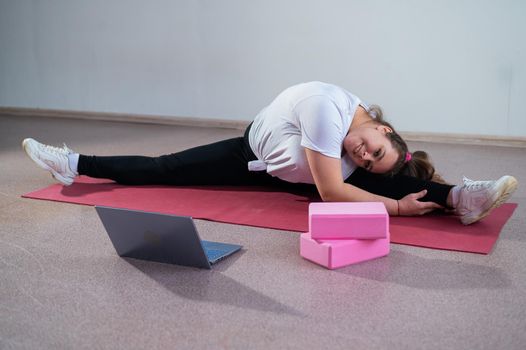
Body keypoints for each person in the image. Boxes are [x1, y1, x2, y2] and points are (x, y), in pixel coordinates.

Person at [22, 81, 517, 225]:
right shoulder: (330, 111)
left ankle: (460, 198)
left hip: (295, 168)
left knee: (390, 177)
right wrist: (394, 208)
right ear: (383, 126)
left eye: (367, 158)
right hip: (252, 157)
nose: (363, 153)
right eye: (373, 147)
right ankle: (70, 163)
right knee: (167, 168)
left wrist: (395, 190)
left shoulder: (356, 131)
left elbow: (355, 175)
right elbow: (329, 191)